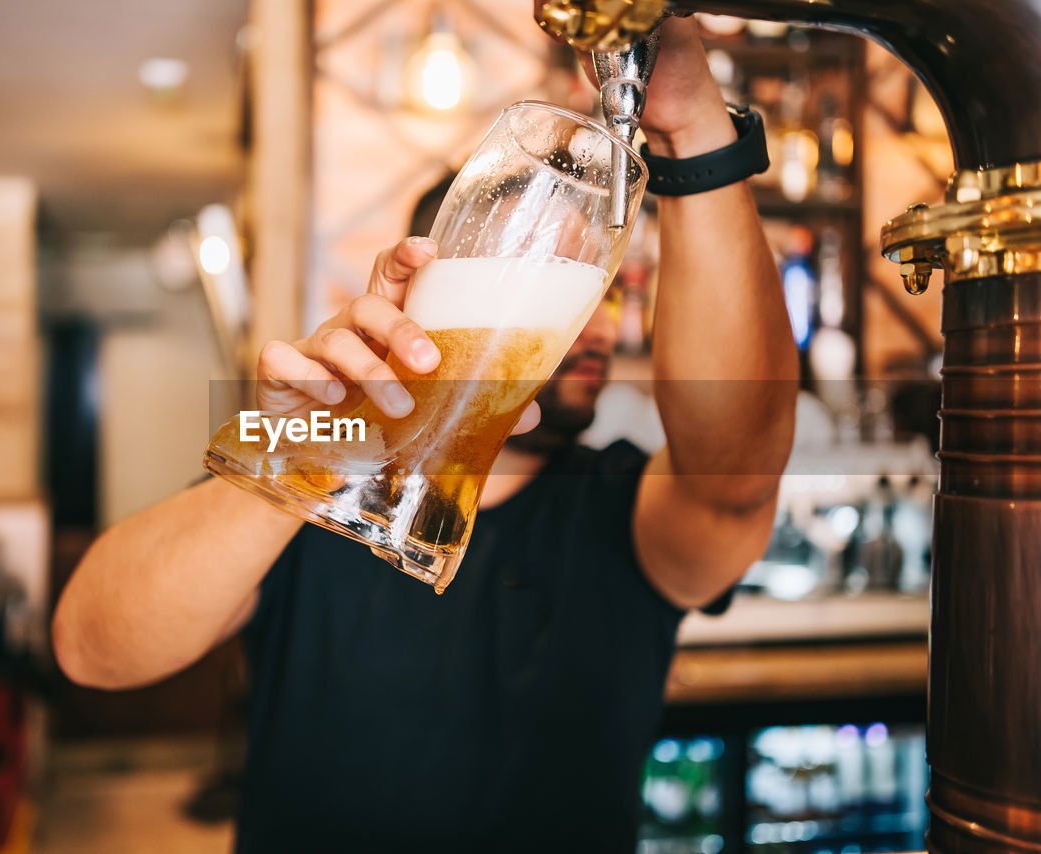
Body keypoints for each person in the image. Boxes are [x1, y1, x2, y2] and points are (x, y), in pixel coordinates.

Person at [53, 16, 797, 852]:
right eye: (544, 276)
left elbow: (736, 485)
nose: (586, 323)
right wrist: (304, 450)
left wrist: (698, 132)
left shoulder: (614, 507)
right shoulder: (304, 479)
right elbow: (91, 648)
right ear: (423, 293)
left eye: (605, 290)